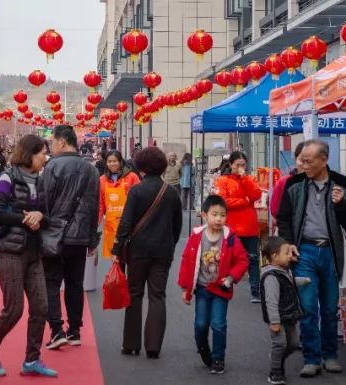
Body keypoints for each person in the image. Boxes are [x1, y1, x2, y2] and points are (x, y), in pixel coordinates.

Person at [0, 135, 58, 378]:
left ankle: (32, 359)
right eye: (42, 153)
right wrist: (26, 218)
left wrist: (40, 217)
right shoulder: (6, 177)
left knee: (41, 307)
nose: (45, 157)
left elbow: (47, 217)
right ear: (29, 154)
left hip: (34, 251)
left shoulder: (41, 182)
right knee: (14, 309)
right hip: (9, 251)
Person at [275, 139, 346, 378]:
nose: (303, 164)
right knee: (309, 308)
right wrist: (288, 243)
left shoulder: (343, 184)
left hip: (331, 252)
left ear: (324, 160)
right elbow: (283, 219)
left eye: (308, 161)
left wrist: (342, 205)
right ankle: (311, 358)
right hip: (305, 252)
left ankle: (330, 354)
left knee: (330, 308)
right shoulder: (294, 185)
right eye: (301, 160)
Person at [112, 146, 183, 359]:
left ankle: (131, 343)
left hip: (138, 251)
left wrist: (117, 249)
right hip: (163, 251)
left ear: (141, 166)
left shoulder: (136, 190)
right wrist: (169, 244)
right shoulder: (171, 192)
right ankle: (153, 346)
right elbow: (177, 225)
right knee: (157, 295)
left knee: (134, 294)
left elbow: (126, 223)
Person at [40, 125, 100, 350]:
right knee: (75, 283)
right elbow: (94, 207)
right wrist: (92, 239)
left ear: (62, 142)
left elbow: (45, 202)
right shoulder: (91, 170)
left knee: (52, 282)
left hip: (55, 234)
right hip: (81, 236)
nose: (52, 146)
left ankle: (56, 330)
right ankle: (74, 329)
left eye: (53, 142)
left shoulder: (52, 166)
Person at [178, 194, 249, 374]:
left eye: (222, 215)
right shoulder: (196, 236)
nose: (218, 219)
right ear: (204, 215)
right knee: (201, 324)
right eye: (214, 214)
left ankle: (218, 359)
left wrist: (231, 278)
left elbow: (242, 261)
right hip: (201, 288)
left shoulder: (230, 238)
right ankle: (203, 349)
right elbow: (187, 260)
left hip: (220, 289)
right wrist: (186, 288)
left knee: (218, 324)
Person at [215, 151, 263, 303]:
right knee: (227, 258)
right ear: (230, 165)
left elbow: (256, 195)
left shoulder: (250, 179)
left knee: (253, 259)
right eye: (238, 165)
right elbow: (224, 202)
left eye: (243, 165)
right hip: (231, 226)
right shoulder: (222, 180)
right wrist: (245, 200)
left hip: (249, 226)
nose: (241, 168)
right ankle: (224, 285)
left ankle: (255, 290)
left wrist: (245, 180)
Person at [261, 236, 309, 385]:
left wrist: (304, 280)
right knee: (280, 343)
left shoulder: (284, 271)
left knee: (293, 343)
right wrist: (274, 321)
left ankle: (277, 358)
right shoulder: (271, 276)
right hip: (278, 317)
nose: (290, 256)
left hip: (290, 315)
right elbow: (271, 301)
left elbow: (291, 283)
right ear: (275, 256)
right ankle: (275, 371)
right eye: (287, 253)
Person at [98, 150, 140, 259]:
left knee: (132, 259)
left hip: (130, 226)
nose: (112, 164)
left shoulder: (132, 177)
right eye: (109, 161)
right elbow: (100, 206)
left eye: (115, 161)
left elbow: (140, 200)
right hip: (111, 227)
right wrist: (94, 226)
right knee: (116, 262)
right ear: (106, 163)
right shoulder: (102, 180)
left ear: (121, 161)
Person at [269, 142, 308, 231]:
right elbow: (275, 209)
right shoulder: (284, 181)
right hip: (288, 231)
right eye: (302, 160)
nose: (305, 165)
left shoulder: (319, 183)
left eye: (309, 161)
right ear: (295, 159)